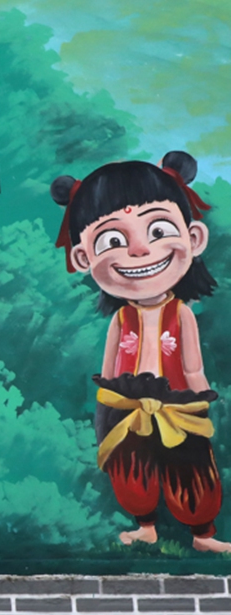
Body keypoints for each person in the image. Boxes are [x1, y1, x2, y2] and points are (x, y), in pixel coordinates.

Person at [52, 150, 229, 552]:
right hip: (126, 403)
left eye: (158, 230)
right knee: (131, 471)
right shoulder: (120, 320)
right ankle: (145, 525)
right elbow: (109, 364)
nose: (138, 251)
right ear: (83, 257)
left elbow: (193, 365)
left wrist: (198, 406)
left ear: (194, 238)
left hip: (178, 402)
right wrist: (106, 408)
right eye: (113, 239)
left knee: (191, 469)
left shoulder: (181, 313)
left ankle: (203, 533)